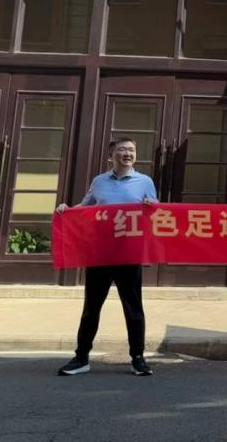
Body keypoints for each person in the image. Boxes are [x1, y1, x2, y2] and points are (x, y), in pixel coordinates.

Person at [54, 138, 157, 377]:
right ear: (111, 156)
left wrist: (152, 205)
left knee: (133, 308)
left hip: (129, 254)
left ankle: (138, 358)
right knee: (91, 307)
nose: (128, 153)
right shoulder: (99, 181)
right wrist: (67, 210)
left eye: (131, 150)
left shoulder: (145, 182)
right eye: (122, 150)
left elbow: (156, 212)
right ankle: (81, 357)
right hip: (100, 253)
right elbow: (86, 206)